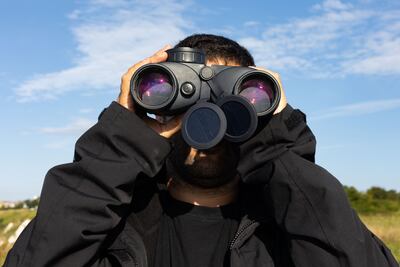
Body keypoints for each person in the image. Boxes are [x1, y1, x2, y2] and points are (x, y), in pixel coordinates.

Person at [4, 34, 398, 267]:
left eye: (232, 104)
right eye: (186, 101)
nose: (208, 122)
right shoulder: (115, 227)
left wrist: (277, 142)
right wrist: (121, 139)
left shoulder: (289, 228)